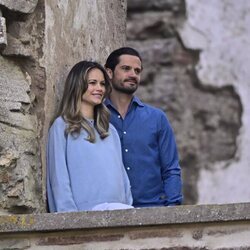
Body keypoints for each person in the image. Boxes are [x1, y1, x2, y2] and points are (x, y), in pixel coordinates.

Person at [46, 60, 133, 212]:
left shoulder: (110, 130)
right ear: (77, 85)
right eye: (92, 83)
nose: (99, 88)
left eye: (102, 84)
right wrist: (69, 219)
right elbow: (59, 178)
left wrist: (127, 208)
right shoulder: (62, 127)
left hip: (120, 212)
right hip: (84, 215)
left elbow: (123, 177)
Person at [104, 47, 183, 207]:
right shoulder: (96, 117)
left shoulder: (157, 118)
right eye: (126, 69)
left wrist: (172, 209)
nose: (133, 74)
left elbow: (171, 169)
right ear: (109, 73)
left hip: (153, 210)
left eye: (137, 71)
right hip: (110, 212)